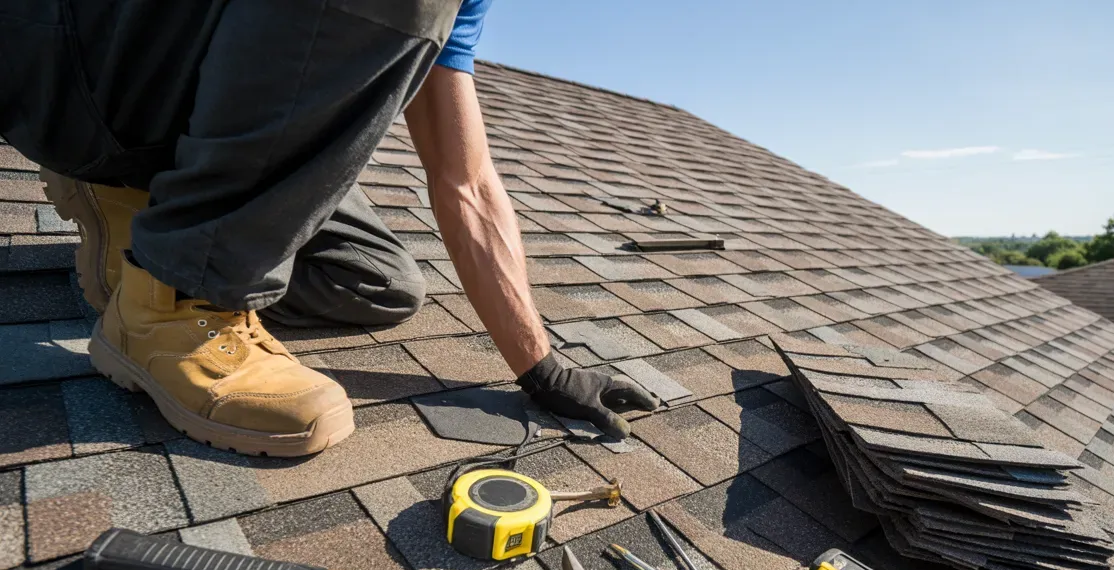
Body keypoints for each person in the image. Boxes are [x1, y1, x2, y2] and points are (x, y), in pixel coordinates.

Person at [0, 0, 657, 456]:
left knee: (378, 283)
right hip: (74, 61)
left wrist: (543, 371)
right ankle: (175, 306)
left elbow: (468, 182)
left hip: (168, 109)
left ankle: (137, 217)